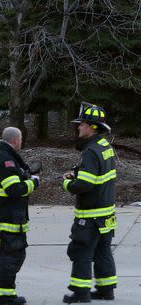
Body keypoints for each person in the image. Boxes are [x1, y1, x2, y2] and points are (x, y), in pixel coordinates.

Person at [61, 104, 117, 303]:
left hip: (90, 216)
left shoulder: (91, 151)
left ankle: (80, 292)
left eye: (82, 124)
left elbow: (85, 184)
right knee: (102, 251)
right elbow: (98, 175)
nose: (78, 128)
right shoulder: (104, 147)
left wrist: (68, 183)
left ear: (92, 127)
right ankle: (106, 290)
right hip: (106, 214)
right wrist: (78, 172)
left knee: (81, 252)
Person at [0, 127, 40, 305]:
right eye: (21, 139)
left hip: (1, 216)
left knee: (1, 254)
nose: (22, 142)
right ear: (16, 141)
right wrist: (33, 183)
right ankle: (5, 296)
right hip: (9, 218)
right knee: (13, 255)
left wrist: (24, 174)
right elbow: (14, 189)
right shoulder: (7, 160)